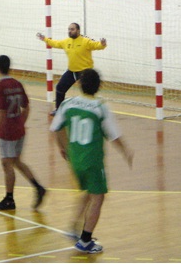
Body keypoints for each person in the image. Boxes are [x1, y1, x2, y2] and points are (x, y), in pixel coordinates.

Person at [50, 68, 133, 254]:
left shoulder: (68, 104)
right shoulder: (100, 107)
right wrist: (126, 151)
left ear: (78, 84)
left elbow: (56, 127)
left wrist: (63, 147)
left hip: (75, 160)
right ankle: (85, 240)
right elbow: (114, 135)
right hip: (92, 161)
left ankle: (73, 228)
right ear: (99, 86)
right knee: (98, 197)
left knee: (88, 192)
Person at [0, 55, 46, 211]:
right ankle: (38, 187)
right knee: (17, 162)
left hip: (7, 132)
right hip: (19, 130)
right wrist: (21, 123)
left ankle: (9, 199)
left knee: (7, 164)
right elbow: (27, 108)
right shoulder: (18, 84)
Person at [37, 23, 107, 116]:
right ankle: (59, 110)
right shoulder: (66, 42)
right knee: (60, 88)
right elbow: (55, 43)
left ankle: (93, 111)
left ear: (78, 30)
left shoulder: (86, 41)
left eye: (72, 29)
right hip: (72, 71)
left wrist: (102, 44)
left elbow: (97, 45)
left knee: (88, 93)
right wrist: (45, 39)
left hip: (85, 72)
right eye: (69, 29)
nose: (70, 31)